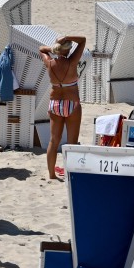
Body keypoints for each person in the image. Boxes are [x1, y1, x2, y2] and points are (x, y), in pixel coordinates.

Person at [38, 36, 86, 180]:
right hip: (72, 104)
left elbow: (41, 48)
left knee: (54, 141)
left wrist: (53, 48)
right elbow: (82, 40)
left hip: (55, 104)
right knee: (72, 142)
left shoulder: (49, 62)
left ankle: (52, 174)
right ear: (69, 49)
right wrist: (67, 38)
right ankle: (70, 174)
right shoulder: (72, 62)